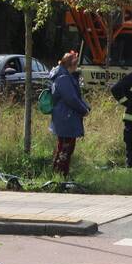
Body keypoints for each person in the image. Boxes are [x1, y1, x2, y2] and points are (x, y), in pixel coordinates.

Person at [48, 51, 89, 179]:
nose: (77, 66)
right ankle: (60, 176)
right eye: (76, 63)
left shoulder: (63, 75)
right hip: (66, 117)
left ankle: (59, 175)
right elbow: (71, 98)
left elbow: (74, 96)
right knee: (66, 149)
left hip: (64, 116)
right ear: (71, 64)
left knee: (63, 147)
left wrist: (85, 106)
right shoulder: (64, 78)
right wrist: (84, 110)